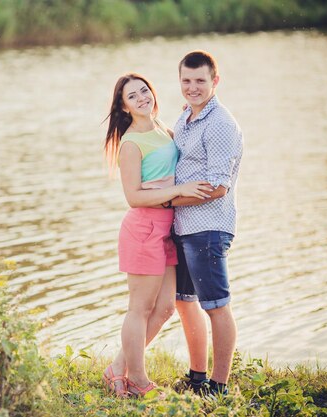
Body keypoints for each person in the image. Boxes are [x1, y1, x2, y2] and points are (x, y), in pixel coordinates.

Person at [102, 72, 214, 397]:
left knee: (165, 307)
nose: (142, 98)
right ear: (124, 108)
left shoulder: (165, 129)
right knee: (139, 308)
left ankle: (117, 368)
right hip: (144, 229)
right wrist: (177, 190)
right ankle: (137, 379)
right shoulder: (131, 143)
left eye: (144, 91)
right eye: (132, 97)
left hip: (168, 229)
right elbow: (134, 197)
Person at [168, 50, 244, 396]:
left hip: (208, 229)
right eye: (186, 80)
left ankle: (219, 384)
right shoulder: (186, 118)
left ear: (215, 81)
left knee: (215, 305)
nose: (192, 87)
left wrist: (168, 198)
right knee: (184, 301)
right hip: (183, 227)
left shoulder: (220, 124)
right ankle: (197, 376)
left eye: (200, 80)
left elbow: (217, 187)